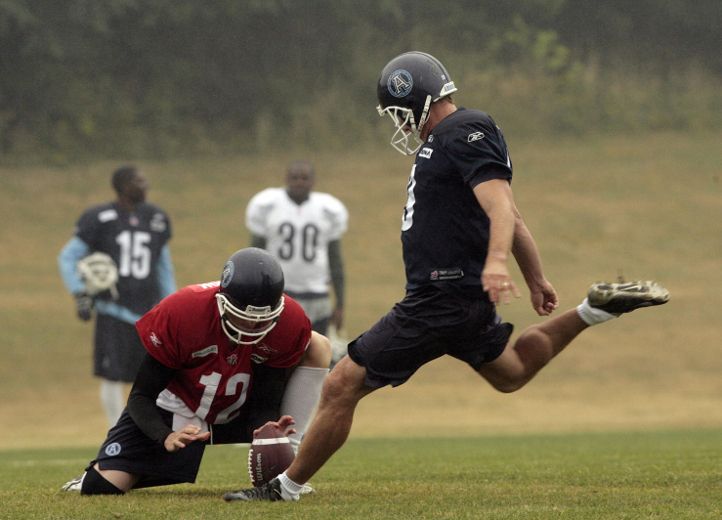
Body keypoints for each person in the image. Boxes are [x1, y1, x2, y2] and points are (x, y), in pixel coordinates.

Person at [223, 51, 670, 503]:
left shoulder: (464, 131)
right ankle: (592, 310)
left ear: (417, 97)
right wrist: (535, 276)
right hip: (458, 299)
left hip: (441, 294)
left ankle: (285, 488)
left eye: (400, 111)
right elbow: (512, 215)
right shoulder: (445, 139)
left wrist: (498, 262)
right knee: (511, 372)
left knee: (342, 382)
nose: (399, 123)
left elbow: (500, 207)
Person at [61, 247, 331, 494]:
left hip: (236, 407)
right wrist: (164, 435)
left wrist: (269, 435)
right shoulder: (182, 311)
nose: (252, 328)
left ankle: (289, 466)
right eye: (244, 318)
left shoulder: (289, 321)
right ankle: (124, 470)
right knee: (101, 487)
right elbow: (140, 396)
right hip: (177, 408)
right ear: (222, 302)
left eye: (263, 321)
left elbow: (265, 401)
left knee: (318, 344)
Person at [58, 165, 176, 427]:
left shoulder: (156, 217)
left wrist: (171, 303)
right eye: (138, 180)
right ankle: (114, 431)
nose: (145, 184)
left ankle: (151, 429)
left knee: (153, 374)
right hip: (114, 309)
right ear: (122, 186)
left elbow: (162, 265)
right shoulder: (100, 218)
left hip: (148, 313)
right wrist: (80, 294)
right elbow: (68, 257)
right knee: (111, 375)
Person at [245, 160, 348, 344]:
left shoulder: (327, 210)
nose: (299, 182)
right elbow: (254, 258)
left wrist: (340, 303)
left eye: (304, 178)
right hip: (279, 295)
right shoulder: (267, 206)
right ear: (286, 179)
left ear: (313, 181)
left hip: (318, 296)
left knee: (316, 355)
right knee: (276, 352)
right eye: (294, 177)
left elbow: (335, 260)